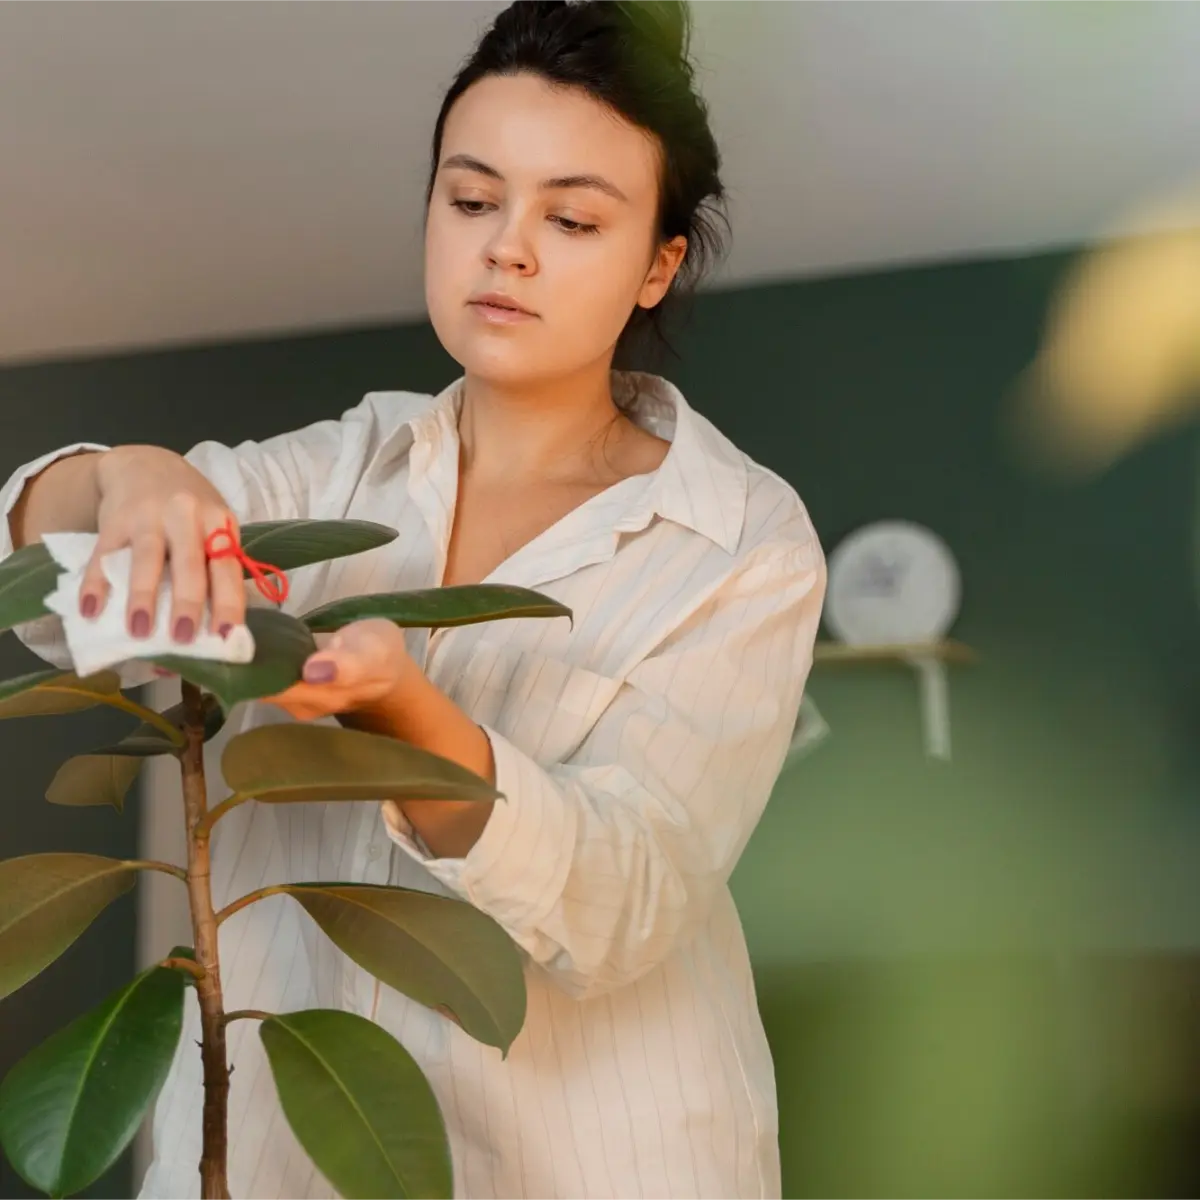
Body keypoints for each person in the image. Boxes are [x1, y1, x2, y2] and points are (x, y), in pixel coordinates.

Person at [0, 0, 824, 1195]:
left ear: (658, 263)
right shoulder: (340, 470)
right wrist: (133, 475)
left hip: (593, 1160)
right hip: (268, 1153)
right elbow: (53, 592)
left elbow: (629, 897)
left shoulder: (742, 537)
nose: (508, 249)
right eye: (472, 198)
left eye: (574, 218)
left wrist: (410, 724)